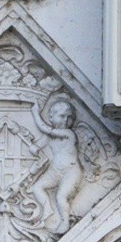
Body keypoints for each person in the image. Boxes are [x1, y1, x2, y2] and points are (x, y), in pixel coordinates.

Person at [30, 97, 83, 234]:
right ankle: (47, 209)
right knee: (37, 188)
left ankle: (64, 222)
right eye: (61, 116)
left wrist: (35, 112)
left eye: (68, 117)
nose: (65, 120)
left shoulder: (68, 133)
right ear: (51, 117)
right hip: (55, 172)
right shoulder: (50, 136)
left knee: (61, 197)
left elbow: (44, 129)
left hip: (70, 172)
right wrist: (34, 148)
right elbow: (39, 144)